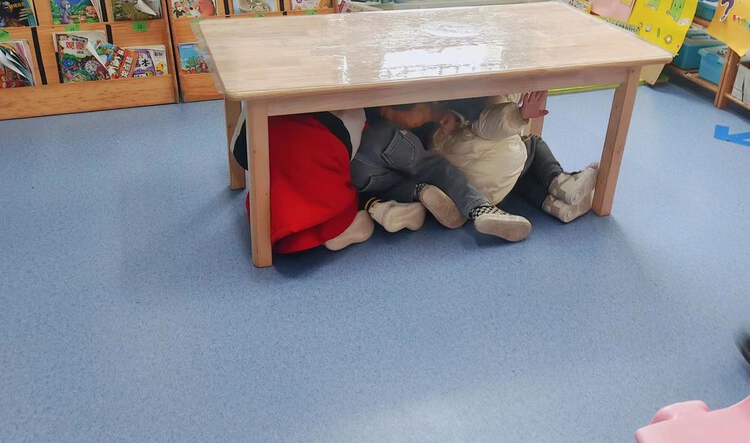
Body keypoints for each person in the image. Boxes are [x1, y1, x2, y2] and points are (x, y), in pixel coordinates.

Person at [383, 92, 599, 223]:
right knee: (532, 144)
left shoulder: (435, 126)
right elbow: (490, 122)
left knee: (518, 179)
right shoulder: (488, 97)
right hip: (483, 171)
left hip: (458, 175)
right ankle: (560, 181)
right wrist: (520, 114)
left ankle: (553, 205)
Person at [230, 108, 424, 253]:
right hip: (323, 143)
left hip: (254, 142)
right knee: (361, 164)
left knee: (286, 166)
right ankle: (381, 205)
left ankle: (381, 206)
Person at [350, 106, 533, 243]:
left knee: (389, 185)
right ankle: (480, 208)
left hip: (355, 166)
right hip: (383, 138)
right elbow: (411, 114)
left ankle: (420, 191)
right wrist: (437, 114)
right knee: (435, 167)